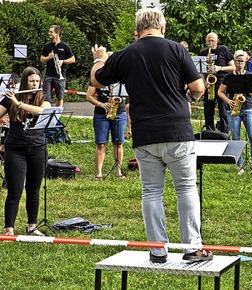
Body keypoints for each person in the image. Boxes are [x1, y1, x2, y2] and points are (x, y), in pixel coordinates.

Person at [90, 8, 210, 263]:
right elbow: (198, 87)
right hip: (177, 129)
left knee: (152, 191)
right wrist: (192, 96)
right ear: (162, 28)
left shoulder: (126, 54)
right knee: (186, 188)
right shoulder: (177, 49)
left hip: (145, 132)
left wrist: (99, 59)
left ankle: (157, 250)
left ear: (138, 30)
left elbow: (98, 81)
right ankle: (192, 248)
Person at [1, 67, 51, 236]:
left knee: (34, 189)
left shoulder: (43, 97)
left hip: (38, 147)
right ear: (24, 82)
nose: (35, 84)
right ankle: (9, 229)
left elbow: (43, 111)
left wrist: (19, 104)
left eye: (37, 81)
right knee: (15, 190)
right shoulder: (11, 98)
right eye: (31, 81)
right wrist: (10, 99)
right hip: (15, 149)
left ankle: (32, 226)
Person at [217, 50, 252, 173]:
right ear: (234, 62)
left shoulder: (250, 75)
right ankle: (238, 165)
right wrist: (228, 101)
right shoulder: (229, 77)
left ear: (246, 61)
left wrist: (246, 87)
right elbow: (220, 92)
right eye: (237, 61)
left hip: (248, 108)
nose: (239, 63)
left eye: (242, 61)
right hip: (233, 109)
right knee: (236, 138)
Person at [85, 80, 127, 179]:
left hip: (119, 112)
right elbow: (89, 96)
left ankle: (118, 171)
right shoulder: (98, 78)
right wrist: (101, 104)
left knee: (118, 143)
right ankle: (99, 173)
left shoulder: (121, 79)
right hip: (101, 113)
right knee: (101, 143)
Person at [198, 32, 234, 132]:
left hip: (222, 84)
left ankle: (224, 132)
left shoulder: (224, 50)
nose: (211, 43)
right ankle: (209, 131)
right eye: (209, 40)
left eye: (213, 40)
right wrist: (203, 81)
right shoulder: (203, 52)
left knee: (223, 110)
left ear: (217, 41)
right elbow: (200, 71)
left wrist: (219, 68)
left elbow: (232, 67)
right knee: (208, 111)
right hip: (209, 84)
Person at [40, 25, 76, 107]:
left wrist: (63, 61)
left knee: (60, 97)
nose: (49, 33)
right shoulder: (47, 46)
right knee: (46, 97)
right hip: (48, 74)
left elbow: (73, 59)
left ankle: (57, 115)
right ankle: (47, 114)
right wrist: (48, 57)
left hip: (60, 75)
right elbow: (42, 59)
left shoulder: (65, 46)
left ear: (58, 33)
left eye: (51, 32)